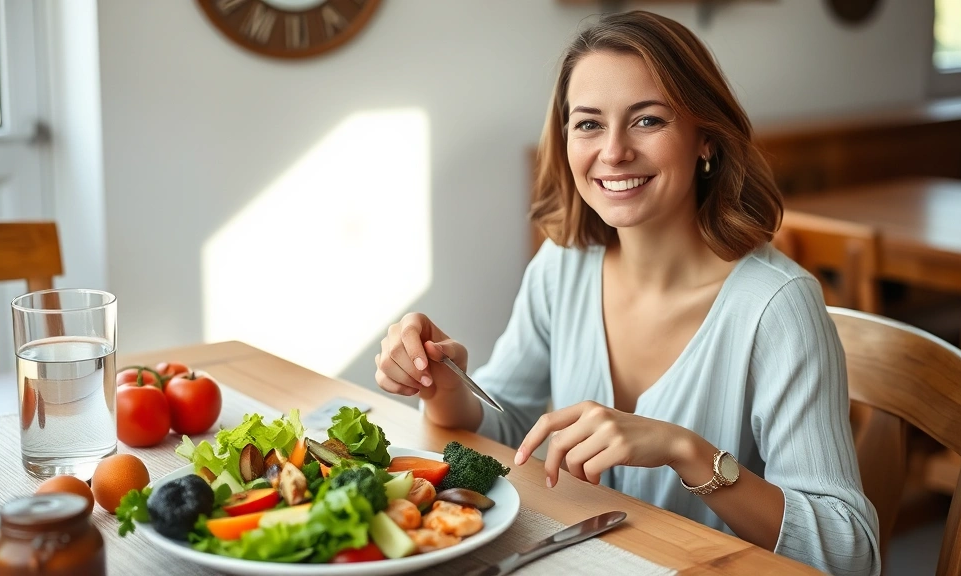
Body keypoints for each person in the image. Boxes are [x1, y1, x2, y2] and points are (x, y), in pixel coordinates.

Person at [374, 10, 879, 576]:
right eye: (588, 124)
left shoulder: (778, 307)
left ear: (705, 139)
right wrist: (445, 385)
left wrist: (689, 453)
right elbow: (508, 430)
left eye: (647, 121)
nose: (613, 152)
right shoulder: (560, 265)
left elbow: (850, 553)